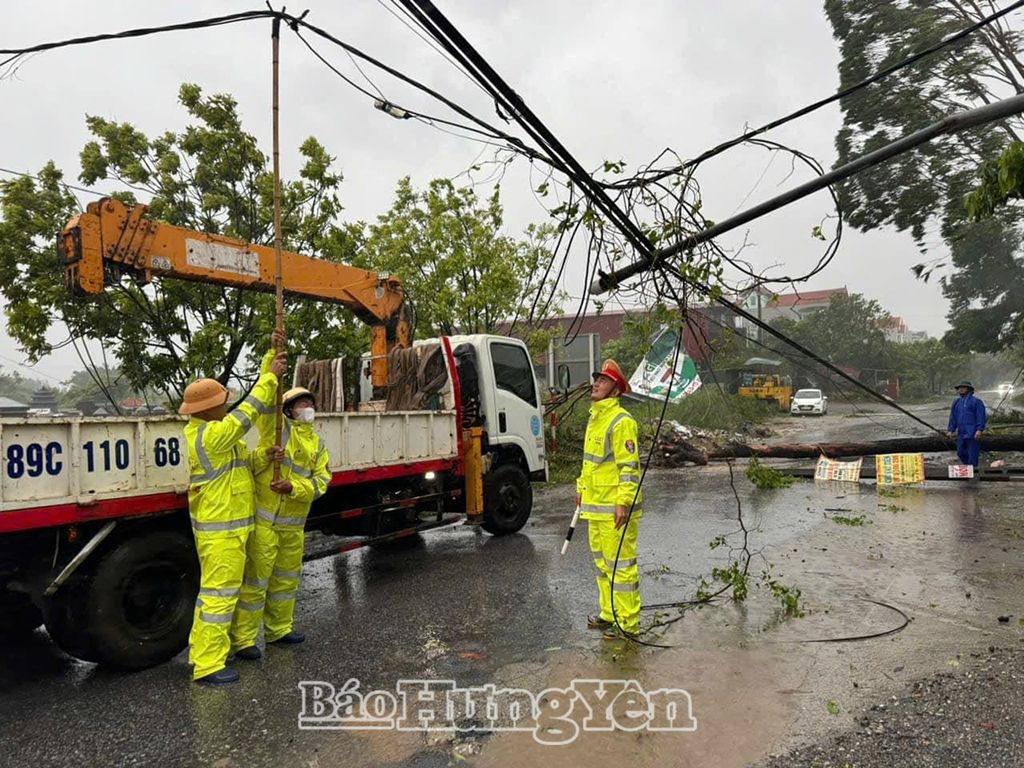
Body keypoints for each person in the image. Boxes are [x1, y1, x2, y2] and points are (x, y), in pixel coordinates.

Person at [180, 341, 286, 686]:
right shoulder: (211, 435)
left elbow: (240, 467)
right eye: (222, 401)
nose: (227, 404)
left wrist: (264, 457)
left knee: (230, 592)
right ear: (209, 408)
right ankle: (208, 664)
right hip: (220, 532)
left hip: (232, 529)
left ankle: (235, 645)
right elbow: (249, 412)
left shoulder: (215, 436)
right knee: (218, 595)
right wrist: (269, 378)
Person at [230, 357, 331, 659]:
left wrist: (294, 488)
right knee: (255, 585)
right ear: (287, 410)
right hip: (267, 525)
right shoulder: (276, 429)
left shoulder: (317, 443)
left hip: (293, 527)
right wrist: (271, 364)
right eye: (300, 404)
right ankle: (245, 641)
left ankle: (279, 630)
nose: (306, 409)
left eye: (309, 403)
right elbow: (269, 400)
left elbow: (322, 480)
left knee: (285, 583)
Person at [575, 358, 643, 640]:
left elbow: (629, 467)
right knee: (603, 565)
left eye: (603, 380)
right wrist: (580, 488)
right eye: (597, 379)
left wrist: (623, 503)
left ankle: (627, 623)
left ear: (615, 390)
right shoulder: (595, 418)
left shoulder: (622, 422)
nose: (596, 383)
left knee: (621, 567)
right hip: (595, 507)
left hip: (615, 509)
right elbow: (591, 463)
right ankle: (608, 612)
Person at [947, 380, 986, 468]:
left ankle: (973, 473)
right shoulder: (956, 402)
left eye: (963, 388)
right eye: (959, 388)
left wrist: (979, 430)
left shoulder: (976, 402)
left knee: (973, 454)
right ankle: (968, 468)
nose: (960, 390)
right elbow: (953, 417)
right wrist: (950, 430)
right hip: (961, 433)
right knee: (960, 452)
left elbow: (981, 416)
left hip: (972, 433)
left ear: (968, 389)